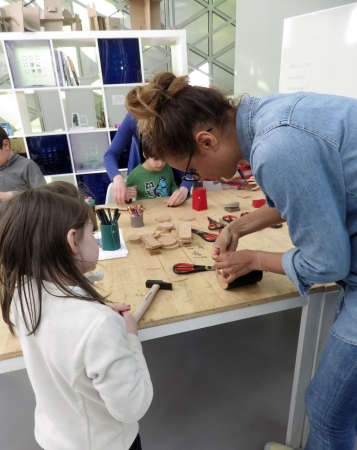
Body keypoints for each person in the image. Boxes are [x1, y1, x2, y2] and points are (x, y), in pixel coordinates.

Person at [125, 72, 357, 450]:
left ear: (206, 140)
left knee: (327, 410)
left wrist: (255, 260)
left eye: (190, 170)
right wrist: (240, 226)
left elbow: (328, 263)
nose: (195, 178)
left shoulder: (275, 148)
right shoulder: (269, 114)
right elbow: (314, 189)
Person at [0, 189, 153, 450]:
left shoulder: (23, 293)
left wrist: (98, 313)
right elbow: (133, 406)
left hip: (57, 438)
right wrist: (129, 337)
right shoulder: (96, 325)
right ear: (72, 241)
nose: (97, 240)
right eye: (92, 233)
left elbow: (67, 328)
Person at [103, 111, 191, 206]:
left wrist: (185, 187)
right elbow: (110, 155)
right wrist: (117, 178)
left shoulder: (178, 115)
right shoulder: (133, 118)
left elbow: (193, 157)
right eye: (156, 158)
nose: (160, 163)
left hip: (177, 182)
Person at [0, 127, 46, 202]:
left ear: (6, 145)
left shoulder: (27, 166)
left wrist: (15, 196)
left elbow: (44, 197)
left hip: (24, 213)